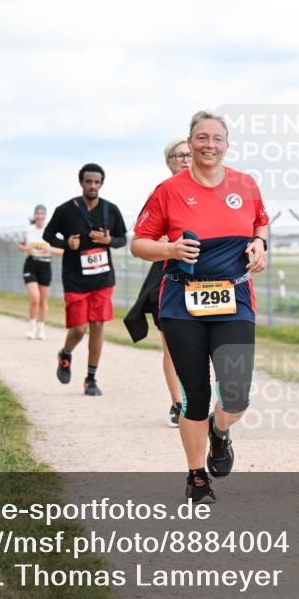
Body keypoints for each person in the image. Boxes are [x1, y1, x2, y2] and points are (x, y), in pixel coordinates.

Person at [132, 110, 269, 504]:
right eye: (201, 138)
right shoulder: (168, 190)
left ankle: (220, 432)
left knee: (237, 393)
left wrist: (260, 243)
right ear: (190, 143)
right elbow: (139, 242)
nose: (209, 145)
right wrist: (170, 249)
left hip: (235, 298)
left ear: (227, 144)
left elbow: (260, 223)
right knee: (194, 394)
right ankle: (196, 477)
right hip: (181, 301)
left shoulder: (246, 184)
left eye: (217, 138)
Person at [43, 163, 127, 396]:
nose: (92, 186)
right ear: (81, 182)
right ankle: (66, 353)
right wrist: (66, 244)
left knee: (98, 326)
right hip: (75, 279)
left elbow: (123, 239)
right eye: (88, 181)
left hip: (102, 279)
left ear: (101, 183)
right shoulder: (65, 210)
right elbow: (48, 235)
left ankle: (91, 379)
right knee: (79, 329)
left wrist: (108, 241)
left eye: (96, 182)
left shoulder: (111, 210)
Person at [124, 138, 192, 427]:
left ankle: (202, 399)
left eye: (189, 155)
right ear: (168, 162)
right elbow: (142, 236)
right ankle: (178, 403)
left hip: (208, 275)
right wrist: (164, 242)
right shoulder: (162, 193)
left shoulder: (211, 189)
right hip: (167, 272)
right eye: (179, 156)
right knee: (172, 345)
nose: (185, 160)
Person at [18, 204, 63, 339]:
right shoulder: (27, 230)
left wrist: (49, 250)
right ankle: (31, 327)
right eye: (37, 214)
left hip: (45, 265)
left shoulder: (51, 231)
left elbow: (61, 251)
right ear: (34, 215)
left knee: (43, 300)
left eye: (42, 214)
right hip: (31, 264)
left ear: (45, 216)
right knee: (35, 298)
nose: (39, 216)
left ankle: (41, 327)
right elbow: (20, 245)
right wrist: (27, 249)